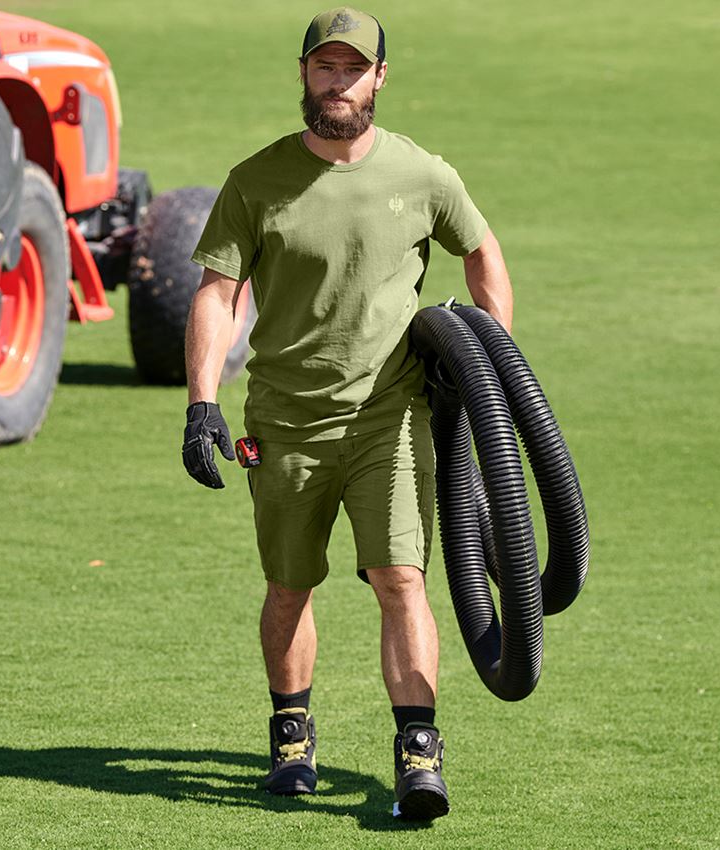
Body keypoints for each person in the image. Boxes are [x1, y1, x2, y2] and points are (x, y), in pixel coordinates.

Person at [182, 6, 513, 820]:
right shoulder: (256, 180)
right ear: (304, 74)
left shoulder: (421, 174)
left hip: (390, 420)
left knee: (402, 579)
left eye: (353, 69)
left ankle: (418, 752)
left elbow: (481, 249)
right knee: (289, 586)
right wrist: (200, 403)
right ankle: (292, 735)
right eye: (325, 68)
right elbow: (218, 294)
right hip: (284, 422)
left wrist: (495, 360)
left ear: (379, 79)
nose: (338, 83)